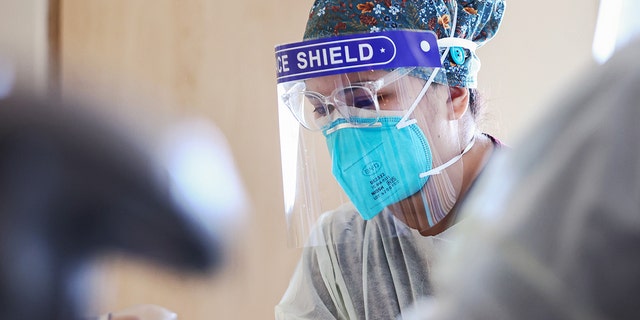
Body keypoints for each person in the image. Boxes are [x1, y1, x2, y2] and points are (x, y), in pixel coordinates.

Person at [274, 0, 506, 319]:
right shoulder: (342, 246)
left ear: (453, 92)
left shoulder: (550, 221)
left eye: (366, 99)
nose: (344, 130)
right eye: (322, 109)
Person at [400, 35, 640, 320]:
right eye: (330, 108)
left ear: (453, 94)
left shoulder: (537, 206)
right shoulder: (342, 240)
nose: (346, 125)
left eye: (373, 98)